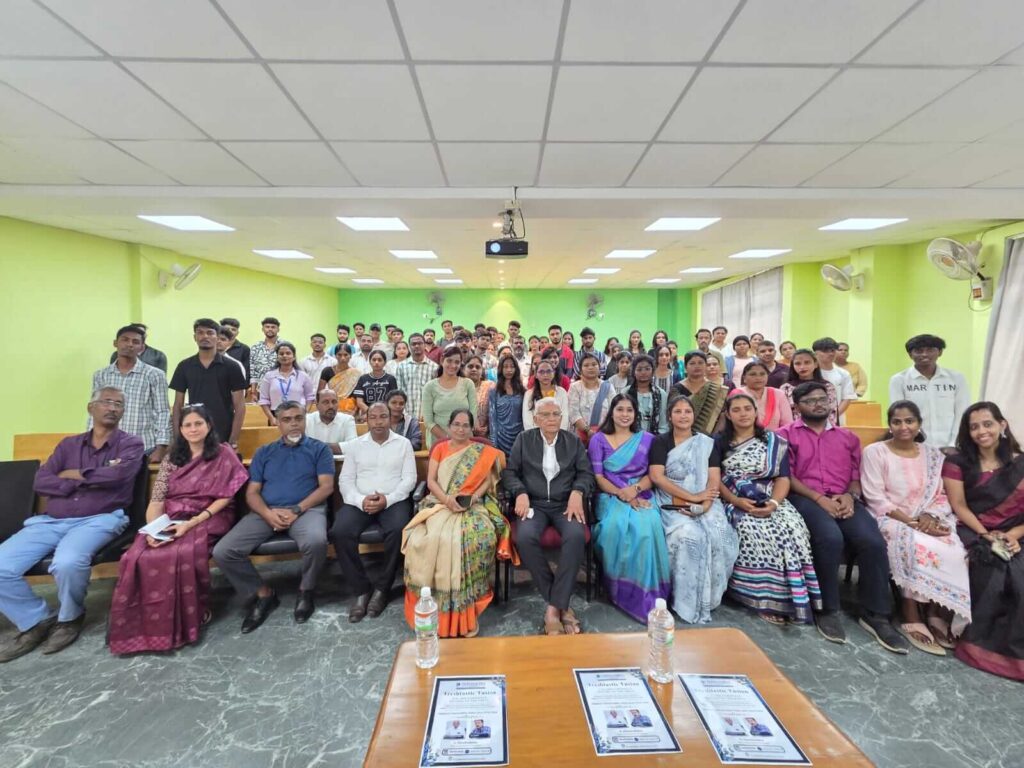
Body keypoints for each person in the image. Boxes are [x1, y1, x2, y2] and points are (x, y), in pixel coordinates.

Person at [0, 388, 143, 662]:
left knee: (67, 562)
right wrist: (81, 481)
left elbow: (119, 475)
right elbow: (41, 481)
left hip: (100, 519)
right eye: (107, 402)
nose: (113, 408)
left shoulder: (130, 444)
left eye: (119, 404)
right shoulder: (68, 445)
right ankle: (35, 620)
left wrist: (72, 474)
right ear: (91, 408)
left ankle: (70, 618)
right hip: (51, 521)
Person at [107, 405, 249, 655]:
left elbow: (226, 497)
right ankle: (142, 625)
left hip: (210, 515)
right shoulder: (172, 458)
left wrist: (191, 523)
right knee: (137, 555)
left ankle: (190, 617)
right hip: (172, 516)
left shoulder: (223, 453)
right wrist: (153, 531)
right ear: (180, 429)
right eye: (187, 425)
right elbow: (157, 500)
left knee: (180, 552)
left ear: (209, 426)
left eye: (198, 424)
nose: (193, 429)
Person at [778, 382, 908, 653]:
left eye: (822, 399)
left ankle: (876, 614)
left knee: (872, 541)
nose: (818, 404)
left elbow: (856, 475)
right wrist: (819, 499)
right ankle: (826, 609)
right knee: (829, 538)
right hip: (805, 498)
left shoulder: (848, 437)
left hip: (844, 498)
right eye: (810, 401)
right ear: (797, 407)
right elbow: (787, 477)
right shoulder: (785, 435)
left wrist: (850, 496)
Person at [212, 401, 334, 632]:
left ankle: (306, 590)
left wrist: (296, 510)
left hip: (306, 510)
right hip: (267, 511)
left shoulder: (319, 449)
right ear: (277, 423)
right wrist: (267, 514)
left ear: (305, 420)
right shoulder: (264, 452)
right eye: (287, 420)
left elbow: (326, 487)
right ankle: (264, 594)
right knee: (224, 551)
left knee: (316, 541)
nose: (293, 424)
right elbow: (252, 493)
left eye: (298, 418)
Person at [860, 400, 970, 654]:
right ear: (889, 425)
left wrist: (930, 517)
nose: (903, 427)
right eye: (897, 422)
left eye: (909, 421)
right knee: (915, 545)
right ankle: (910, 610)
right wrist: (911, 522)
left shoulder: (933, 455)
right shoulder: (875, 452)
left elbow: (941, 494)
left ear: (919, 424)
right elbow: (875, 497)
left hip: (929, 517)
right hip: (890, 517)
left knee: (955, 549)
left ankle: (936, 610)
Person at [402, 409, 514, 637]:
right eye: (456, 424)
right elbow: (431, 482)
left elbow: (487, 482)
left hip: (473, 505)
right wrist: (447, 500)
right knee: (432, 538)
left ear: (472, 429)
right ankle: (434, 607)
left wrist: (472, 498)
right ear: (449, 426)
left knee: (478, 537)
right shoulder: (440, 448)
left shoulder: (483, 452)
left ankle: (469, 606)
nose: (461, 429)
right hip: (440, 503)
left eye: (465, 425)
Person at [715, 393, 822, 627]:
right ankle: (759, 598)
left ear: (756, 412)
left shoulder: (774, 442)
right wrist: (736, 500)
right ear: (728, 415)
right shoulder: (719, 442)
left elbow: (783, 478)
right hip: (734, 498)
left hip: (771, 497)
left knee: (793, 530)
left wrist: (773, 503)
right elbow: (715, 478)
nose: (743, 414)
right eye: (736, 410)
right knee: (753, 531)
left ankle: (790, 597)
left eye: (747, 408)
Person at [942, 402, 1024, 680]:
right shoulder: (957, 462)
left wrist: (1014, 534)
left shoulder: (1021, 463)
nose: (981, 431)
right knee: (997, 569)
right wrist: (987, 535)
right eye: (974, 427)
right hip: (974, 529)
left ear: (1002, 425)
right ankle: (988, 650)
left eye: (987, 424)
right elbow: (959, 506)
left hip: (1016, 531)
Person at [503, 398, 596, 635]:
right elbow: (510, 473)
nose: (551, 419)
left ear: (562, 418)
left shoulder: (573, 441)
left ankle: (553, 610)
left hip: (565, 504)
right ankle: (561, 604)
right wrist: (520, 492)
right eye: (545, 415)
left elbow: (586, 474)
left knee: (576, 536)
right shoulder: (524, 440)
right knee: (524, 538)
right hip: (533, 504)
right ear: (536, 419)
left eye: (556, 414)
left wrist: (577, 492)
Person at [650, 394, 738, 624]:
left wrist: (704, 505)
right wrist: (691, 498)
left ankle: (709, 598)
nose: (683, 416)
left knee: (720, 534)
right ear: (669, 416)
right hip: (672, 501)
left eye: (687, 411)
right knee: (688, 536)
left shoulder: (706, 443)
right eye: (677, 412)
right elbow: (657, 477)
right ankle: (684, 600)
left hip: (706, 500)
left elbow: (713, 479)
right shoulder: (661, 441)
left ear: (694, 415)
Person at [588, 395, 671, 622]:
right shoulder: (598, 439)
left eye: (629, 410)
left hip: (641, 492)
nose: (624, 415)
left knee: (647, 527)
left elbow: (653, 475)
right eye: (620, 409)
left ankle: (647, 593)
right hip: (609, 494)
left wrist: (634, 490)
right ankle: (619, 588)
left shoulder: (647, 439)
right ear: (611, 412)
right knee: (612, 527)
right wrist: (622, 494)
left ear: (636, 414)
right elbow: (598, 477)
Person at [333, 402, 417, 622]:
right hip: (361, 500)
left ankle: (382, 589)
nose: (378, 422)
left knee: (398, 530)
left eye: (383, 416)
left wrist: (387, 499)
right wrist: (361, 501)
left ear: (390, 419)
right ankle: (361, 590)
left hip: (393, 500)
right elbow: (345, 481)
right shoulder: (355, 445)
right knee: (340, 531)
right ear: (366, 420)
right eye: (373, 417)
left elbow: (409, 479)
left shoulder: (403, 444)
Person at [92, 324, 171, 462]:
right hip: (108, 448)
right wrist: (91, 443)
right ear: (115, 343)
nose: (130, 344)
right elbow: (95, 411)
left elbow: (163, 412)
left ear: (141, 347)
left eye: (135, 342)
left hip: (144, 448)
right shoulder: (101, 375)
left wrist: (161, 448)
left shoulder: (155, 375)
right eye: (125, 340)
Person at [170, 318, 246, 449]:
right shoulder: (184, 366)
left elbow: (239, 406)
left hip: (223, 431)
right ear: (195, 337)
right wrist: (178, 437)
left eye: (210, 333)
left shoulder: (232, 367)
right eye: (200, 332)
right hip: (194, 430)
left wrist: (233, 440)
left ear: (217, 338)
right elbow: (177, 405)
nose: (205, 336)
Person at [890, 334, 970, 449]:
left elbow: (962, 414)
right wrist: (914, 446)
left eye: (930, 350)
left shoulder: (956, 378)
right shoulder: (899, 380)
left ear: (940, 352)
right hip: (915, 448)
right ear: (910, 354)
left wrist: (954, 444)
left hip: (951, 448)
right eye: (919, 351)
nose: (924, 354)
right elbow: (899, 416)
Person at [422, 346, 477, 448]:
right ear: (442, 361)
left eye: (457, 362)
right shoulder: (429, 387)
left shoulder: (468, 384)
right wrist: (449, 439)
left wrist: (459, 439)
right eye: (449, 361)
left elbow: (473, 416)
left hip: (465, 442)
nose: (453, 365)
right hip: (439, 443)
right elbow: (428, 421)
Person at [672, 351, 728, 436]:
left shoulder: (716, 389)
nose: (697, 366)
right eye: (692, 363)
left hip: (712, 436)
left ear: (705, 365)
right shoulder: (677, 389)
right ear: (686, 367)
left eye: (700, 363)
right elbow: (672, 415)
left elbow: (722, 415)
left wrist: (713, 437)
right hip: (682, 436)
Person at [258, 341, 316, 423]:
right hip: (276, 416)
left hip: (298, 415)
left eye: (288, 353)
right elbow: (264, 400)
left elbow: (310, 397)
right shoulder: (269, 376)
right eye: (281, 354)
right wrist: (271, 418)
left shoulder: (303, 376)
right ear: (277, 357)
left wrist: (305, 414)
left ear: (294, 357)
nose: (284, 356)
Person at [780, 348, 839, 426]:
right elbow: (784, 415)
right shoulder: (786, 388)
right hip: (795, 429)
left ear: (816, 364)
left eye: (807, 362)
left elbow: (832, 413)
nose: (802, 367)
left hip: (822, 428)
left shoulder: (828, 386)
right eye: (797, 363)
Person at [568, 353, 615, 445]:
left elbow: (614, 410)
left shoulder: (608, 387)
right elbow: (573, 413)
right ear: (580, 369)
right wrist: (588, 431)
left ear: (599, 367)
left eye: (594, 364)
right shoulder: (575, 387)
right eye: (586, 365)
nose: (590, 367)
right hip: (580, 438)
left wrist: (601, 433)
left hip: (605, 435)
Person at [733, 361, 793, 430]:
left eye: (762, 374)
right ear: (744, 378)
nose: (758, 378)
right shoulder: (737, 394)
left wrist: (773, 436)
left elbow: (787, 424)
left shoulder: (779, 394)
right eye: (753, 374)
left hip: (776, 436)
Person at [489, 356, 526, 455]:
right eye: (505, 367)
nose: (509, 370)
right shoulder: (494, 392)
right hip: (500, 438)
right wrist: (493, 443)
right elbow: (492, 419)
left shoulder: (522, 391)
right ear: (501, 369)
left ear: (516, 369)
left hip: (519, 437)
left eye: (512, 366)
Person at [812, 337, 856, 417]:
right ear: (816, 353)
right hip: (812, 417)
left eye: (833, 350)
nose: (831, 354)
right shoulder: (810, 372)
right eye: (826, 351)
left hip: (836, 417)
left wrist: (833, 415)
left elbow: (847, 398)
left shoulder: (843, 374)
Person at [396, 333, 436, 421]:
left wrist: (428, 414)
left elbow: (435, 395)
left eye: (420, 343)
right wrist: (403, 414)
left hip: (427, 417)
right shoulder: (401, 366)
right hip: (406, 417)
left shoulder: (434, 367)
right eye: (413, 344)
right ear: (409, 347)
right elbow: (399, 393)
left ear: (425, 345)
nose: (417, 346)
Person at [305, 389, 356, 454]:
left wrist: (317, 447)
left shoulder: (347, 420)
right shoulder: (307, 420)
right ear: (317, 405)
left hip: (339, 460)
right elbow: (301, 446)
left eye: (334, 402)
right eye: (326, 402)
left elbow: (353, 446)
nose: (331, 406)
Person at [523, 359, 569, 430]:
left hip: (558, 433)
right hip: (535, 435)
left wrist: (555, 434)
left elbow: (564, 419)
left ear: (553, 373)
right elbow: (528, 421)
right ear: (536, 375)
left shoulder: (561, 392)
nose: (545, 375)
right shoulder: (529, 394)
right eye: (541, 372)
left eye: (548, 371)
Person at [626, 354, 666, 434]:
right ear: (633, 372)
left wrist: (655, 439)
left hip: (656, 438)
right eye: (639, 369)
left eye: (647, 369)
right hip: (630, 438)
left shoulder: (661, 394)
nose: (643, 372)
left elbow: (664, 424)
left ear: (653, 371)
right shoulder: (626, 393)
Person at [354, 350, 398, 420]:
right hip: (368, 414)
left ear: (385, 362)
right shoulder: (363, 378)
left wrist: (381, 413)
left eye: (380, 360)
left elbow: (393, 400)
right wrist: (371, 412)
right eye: (374, 360)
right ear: (370, 362)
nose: (376, 362)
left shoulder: (391, 379)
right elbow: (359, 402)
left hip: (386, 414)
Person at [320, 345, 360, 416]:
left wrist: (354, 411)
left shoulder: (356, 373)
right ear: (335, 356)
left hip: (350, 409)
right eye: (339, 355)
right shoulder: (327, 371)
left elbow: (358, 396)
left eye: (346, 355)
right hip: (331, 406)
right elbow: (320, 393)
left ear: (350, 356)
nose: (343, 358)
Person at [249, 317, 283, 398]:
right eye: (267, 327)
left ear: (278, 329)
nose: (270, 329)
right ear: (263, 329)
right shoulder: (256, 347)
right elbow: (253, 371)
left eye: (273, 327)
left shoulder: (285, 346)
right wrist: (253, 392)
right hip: (261, 391)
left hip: (282, 389)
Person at [462, 355, 494, 439]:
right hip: (463, 434)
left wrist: (489, 427)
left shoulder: (490, 386)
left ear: (482, 370)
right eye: (470, 366)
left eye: (477, 367)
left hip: (486, 436)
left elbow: (496, 411)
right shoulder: (458, 387)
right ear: (464, 369)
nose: (474, 369)